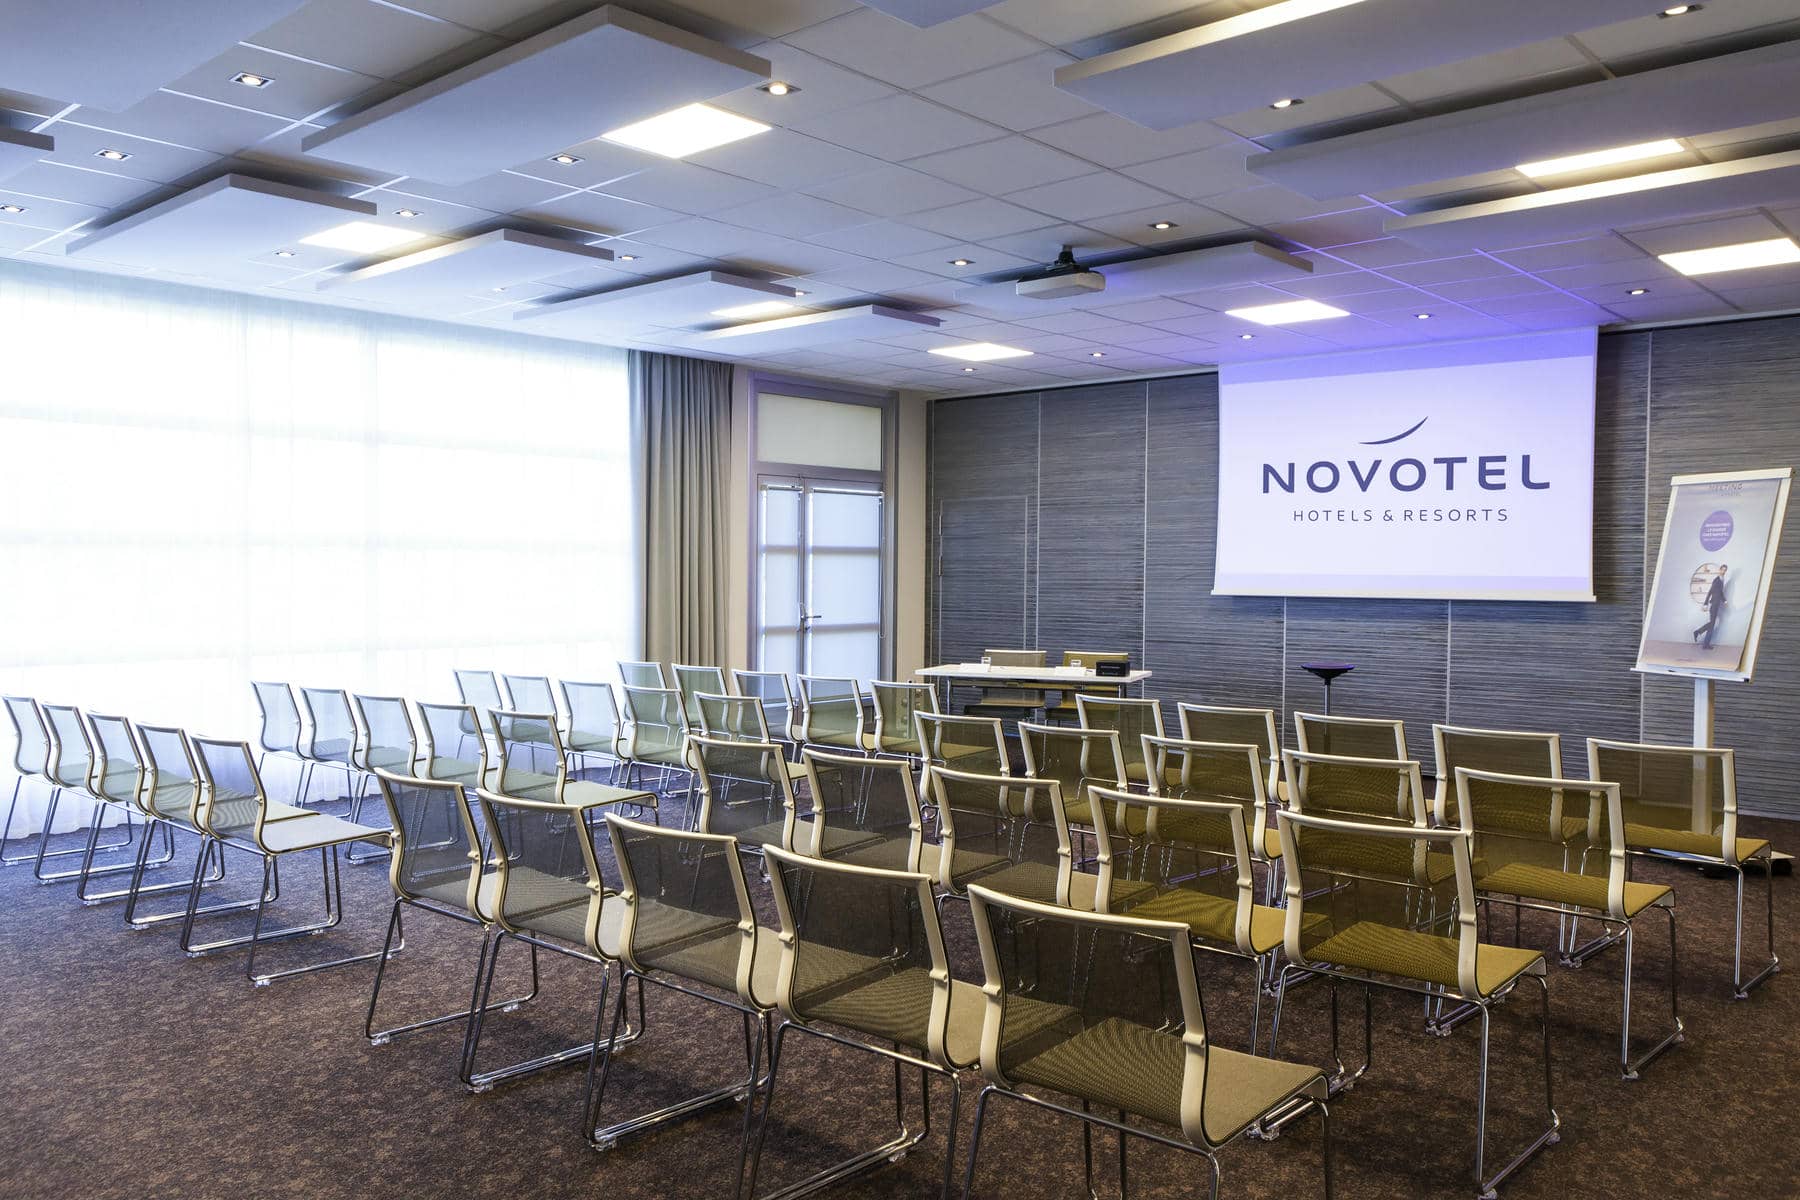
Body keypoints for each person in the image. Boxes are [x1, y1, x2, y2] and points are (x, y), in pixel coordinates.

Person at [1693, 564, 1728, 650]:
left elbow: (1720, 592)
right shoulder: (1716, 580)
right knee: (1712, 624)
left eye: (1725, 570)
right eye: (1722, 570)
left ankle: (1705, 644)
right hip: (1714, 605)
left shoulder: (1721, 580)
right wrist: (1705, 604)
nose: (1723, 572)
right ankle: (1698, 632)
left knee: (1711, 625)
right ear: (1720, 570)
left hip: (1716, 604)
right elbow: (1710, 592)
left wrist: (1724, 600)